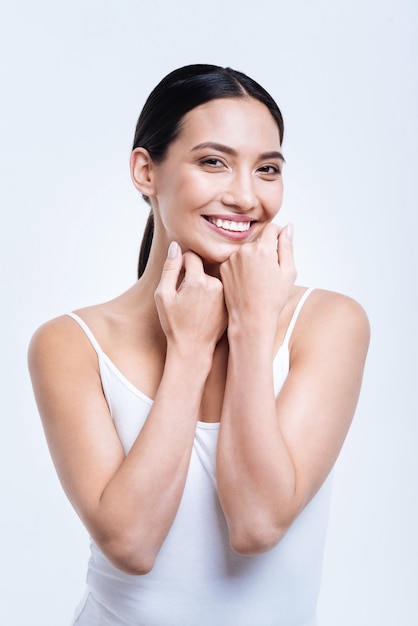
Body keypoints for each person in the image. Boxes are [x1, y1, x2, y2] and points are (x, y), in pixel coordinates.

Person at [28, 64, 370, 626]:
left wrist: (252, 329)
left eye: (267, 169)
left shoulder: (328, 323)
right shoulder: (71, 344)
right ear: (145, 170)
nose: (244, 195)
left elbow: (257, 525)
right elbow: (131, 546)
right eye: (213, 161)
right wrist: (188, 351)